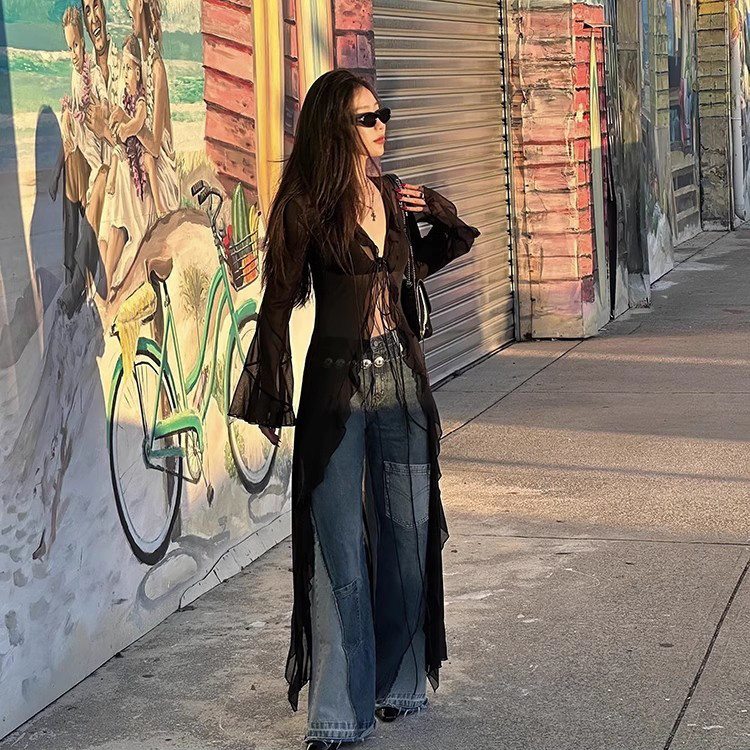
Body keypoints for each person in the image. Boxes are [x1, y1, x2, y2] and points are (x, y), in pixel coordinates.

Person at [228, 69, 480, 750]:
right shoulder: (305, 205)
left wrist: (437, 210)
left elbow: (427, 259)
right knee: (338, 548)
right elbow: (277, 302)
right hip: (335, 390)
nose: (381, 126)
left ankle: (397, 682)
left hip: (402, 382)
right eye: (367, 118)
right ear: (334, 127)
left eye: (382, 113)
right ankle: (340, 713)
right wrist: (269, 392)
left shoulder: (392, 195)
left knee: (409, 541)